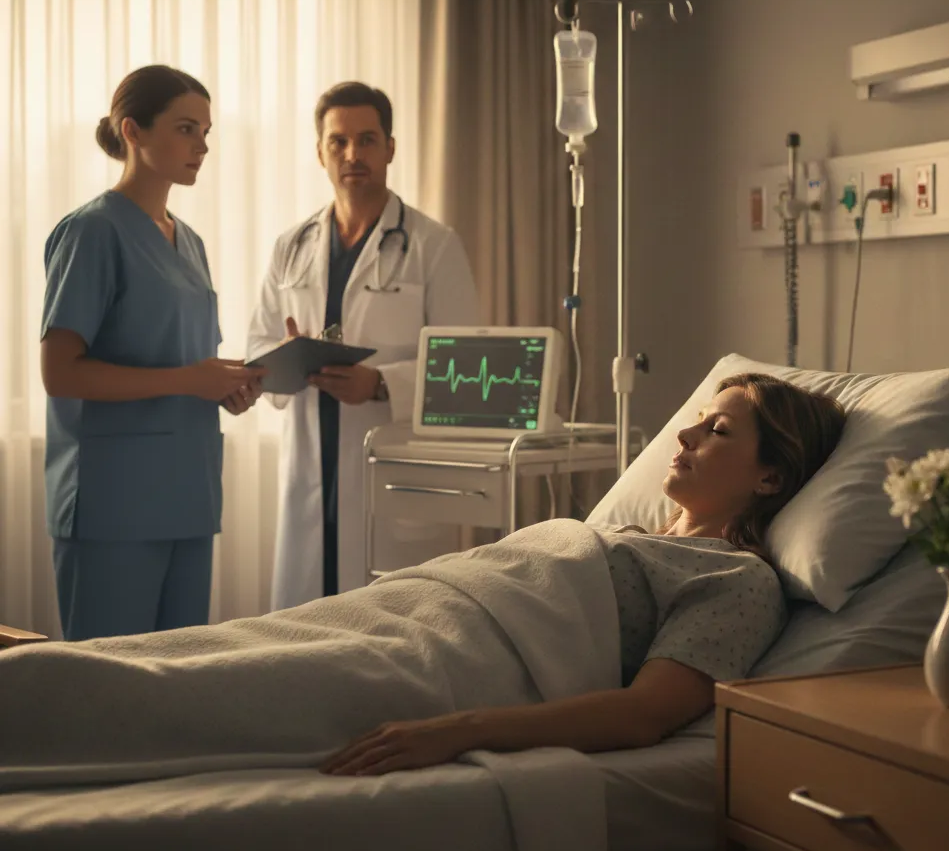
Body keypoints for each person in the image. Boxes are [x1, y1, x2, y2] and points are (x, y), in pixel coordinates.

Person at [319, 373, 846, 775]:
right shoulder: (629, 538)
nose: (685, 433)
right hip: (400, 614)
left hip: (445, 663)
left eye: (719, 430)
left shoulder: (737, 581)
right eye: (699, 420)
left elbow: (641, 715)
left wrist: (457, 732)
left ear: (770, 477)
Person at [40, 64, 266, 642]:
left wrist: (227, 388)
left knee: (177, 685)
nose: (203, 146)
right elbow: (59, 373)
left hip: (187, 493)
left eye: (207, 132)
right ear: (132, 131)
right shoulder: (92, 233)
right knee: (108, 689)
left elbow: (189, 365)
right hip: (115, 502)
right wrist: (189, 380)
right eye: (187, 129)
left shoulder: (188, 241)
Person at [246, 82, 479, 609]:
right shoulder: (292, 247)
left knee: (393, 634)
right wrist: (284, 359)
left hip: (394, 478)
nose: (353, 154)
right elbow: (258, 342)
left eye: (367, 139)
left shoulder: (433, 246)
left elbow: (464, 369)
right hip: (311, 465)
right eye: (339, 142)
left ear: (390, 147)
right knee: (302, 635)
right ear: (320, 152)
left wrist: (381, 384)